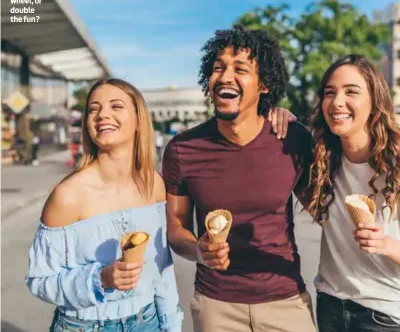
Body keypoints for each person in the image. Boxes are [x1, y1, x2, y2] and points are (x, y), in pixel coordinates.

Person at [162, 25, 316, 332]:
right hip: (216, 306)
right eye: (218, 67)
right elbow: (176, 227)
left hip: (285, 302)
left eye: (240, 69)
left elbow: (323, 209)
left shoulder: (292, 139)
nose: (225, 76)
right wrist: (199, 251)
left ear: (264, 84)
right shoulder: (183, 149)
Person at [295, 54, 400, 332]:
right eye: (330, 92)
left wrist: (386, 244)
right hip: (331, 306)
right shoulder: (324, 160)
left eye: (351, 91)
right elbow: (323, 214)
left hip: (388, 318)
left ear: (375, 104)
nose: (337, 101)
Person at [26, 78, 183, 332]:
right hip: (85, 326)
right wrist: (101, 278)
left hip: (148, 321)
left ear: (138, 120)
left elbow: (160, 268)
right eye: (94, 108)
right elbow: (39, 281)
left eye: (116, 106)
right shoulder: (67, 196)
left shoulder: (154, 185)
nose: (102, 115)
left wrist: (171, 324)